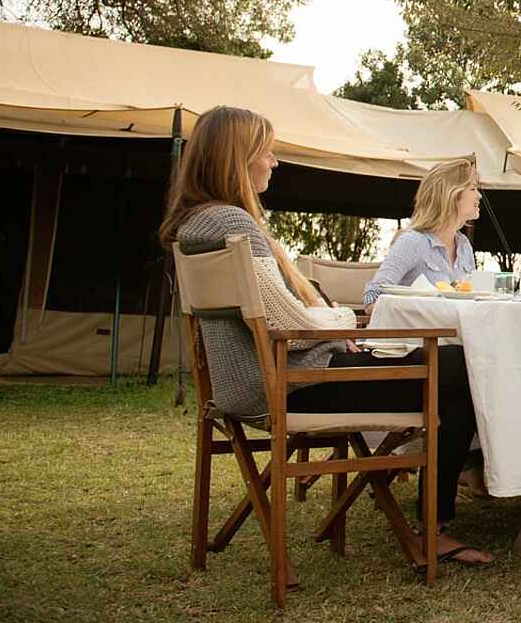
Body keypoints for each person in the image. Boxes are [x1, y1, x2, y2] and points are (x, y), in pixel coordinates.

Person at [158, 107, 492, 566]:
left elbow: (276, 318)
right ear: (237, 159)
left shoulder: (198, 225)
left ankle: (433, 505)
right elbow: (282, 326)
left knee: (451, 371)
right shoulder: (232, 224)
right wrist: (342, 322)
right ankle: (433, 526)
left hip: (255, 385)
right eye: (266, 153)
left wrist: (330, 325)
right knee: (463, 367)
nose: (273, 162)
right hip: (289, 385)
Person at [363, 159, 482, 307]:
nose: (479, 195)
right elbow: (372, 299)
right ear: (451, 193)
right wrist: (420, 309)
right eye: (473, 188)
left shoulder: (464, 246)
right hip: (418, 330)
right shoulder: (413, 242)